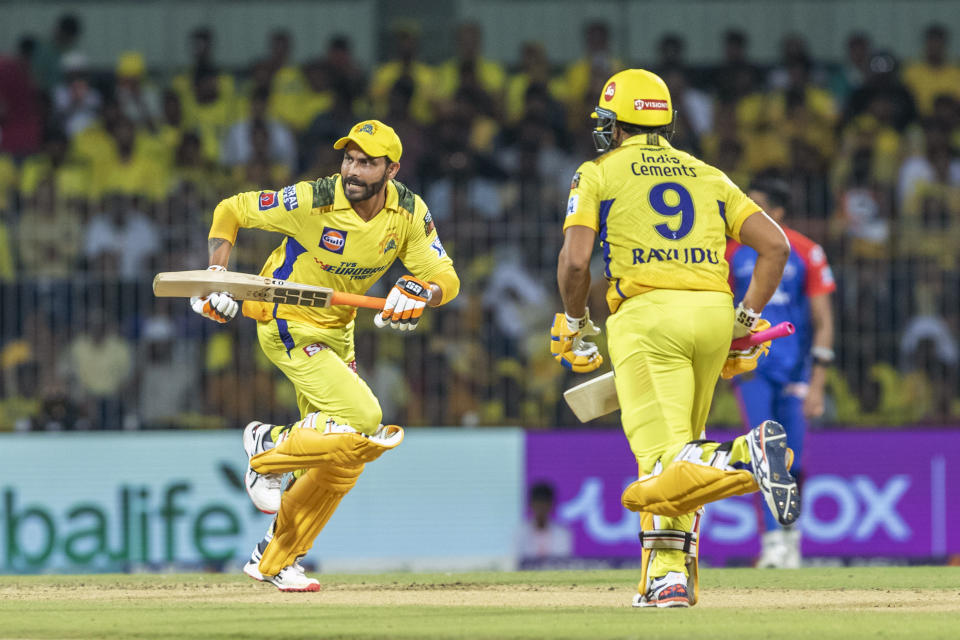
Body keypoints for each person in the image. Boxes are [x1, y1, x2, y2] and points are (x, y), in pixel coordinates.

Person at [552, 69, 795, 608]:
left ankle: (741, 456)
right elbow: (775, 247)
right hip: (712, 314)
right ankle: (668, 576)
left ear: (613, 125)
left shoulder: (597, 172)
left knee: (662, 464)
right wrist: (746, 322)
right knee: (675, 457)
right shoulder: (709, 175)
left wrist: (573, 321)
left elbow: (574, 263)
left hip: (647, 317)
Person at [190, 120, 460, 591]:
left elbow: (446, 276)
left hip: (338, 329)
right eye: (349, 159)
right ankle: (267, 444)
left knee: (342, 460)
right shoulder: (313, 199)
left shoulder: (410, 212)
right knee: (364, 416)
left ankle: (275, 559)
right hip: (285, 317)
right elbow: (230, 210)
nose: (353, 171)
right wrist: (218, 274)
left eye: (367, 163)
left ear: (392, 170)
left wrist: (422, 290)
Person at [727, 173, 836, 569]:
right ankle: (773, 540)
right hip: (752, 369)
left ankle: (791, 537)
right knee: (765, 452)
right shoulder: (732, 253)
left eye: (757, 207)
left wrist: (819, 382)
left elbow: (823, 320)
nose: (748, 215)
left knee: (795, 459)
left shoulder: (807, 252)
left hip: (797, 371)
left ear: (777, 211)